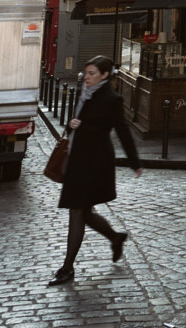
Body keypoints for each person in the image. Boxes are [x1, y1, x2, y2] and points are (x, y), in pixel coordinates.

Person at [48, 54, 140, 286]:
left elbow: (122, 130)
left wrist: (134, 162)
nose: (85, 77)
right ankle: (116, 237)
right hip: (78, 160)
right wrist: (71, 124)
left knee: (77, 211)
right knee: (84, 211)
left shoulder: (111, 99)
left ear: (104, 75)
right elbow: (78, 124)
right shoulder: (86, 94)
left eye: (91, 74)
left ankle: (67, 267)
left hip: (95, 163)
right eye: (85, 73)